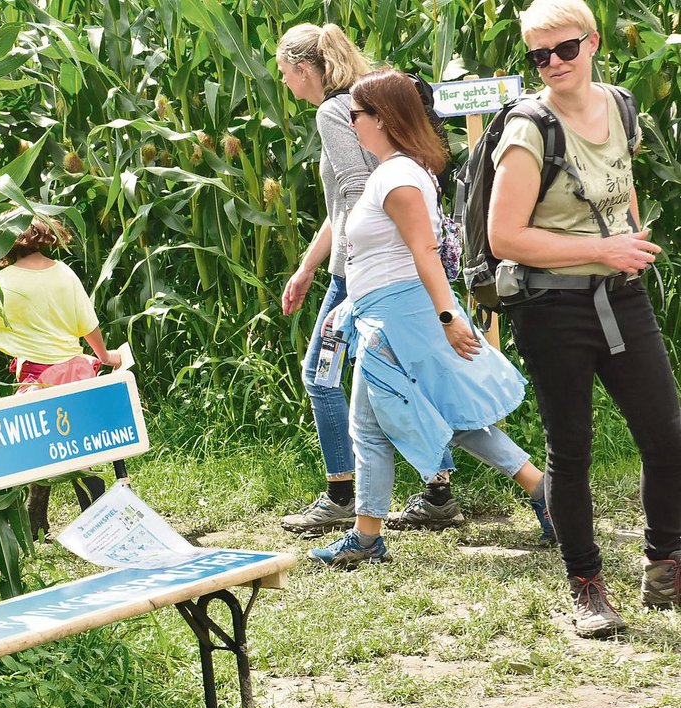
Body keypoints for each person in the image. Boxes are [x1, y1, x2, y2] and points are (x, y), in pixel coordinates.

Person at [308, 68, 554, 569]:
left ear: (383, 119)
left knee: (383, 424)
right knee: (428, 417)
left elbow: (423, 250)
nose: (350, 123)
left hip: (404, 318)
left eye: (355, 114)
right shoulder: (396, 172)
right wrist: (353, 304)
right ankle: (541, 490)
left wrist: (447, 316)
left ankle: (367, 538)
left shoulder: (398, 176)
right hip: (388, 313)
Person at [489, 0, 681, 636]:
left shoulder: (621, 105)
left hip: (620, 294)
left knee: (667, 435)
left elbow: (620, 181)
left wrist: (626, 232)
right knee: (571, 450)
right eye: (538, 56)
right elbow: (504, 237)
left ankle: (664, 565)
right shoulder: (527, 128)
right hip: (551, 304)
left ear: (593, 42)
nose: (552, 64)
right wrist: (600, 248)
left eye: (564, 49)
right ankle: (586, 584)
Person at [276, 25, 464, 536]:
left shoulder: (331, 112)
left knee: (320, 373)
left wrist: (347, 273)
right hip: (389, 266)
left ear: (304, 68)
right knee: (412, 375)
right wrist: (309, 265)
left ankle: (341, 494)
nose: (284, 82)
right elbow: (345, 204)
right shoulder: (359, 105)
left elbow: (359, 191)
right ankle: (438, 490)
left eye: (285, 71)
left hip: (361, 274)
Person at [0, 217, 117, 537]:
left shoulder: (1, 283)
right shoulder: (64, 273)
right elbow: (88, 324)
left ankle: (36, 519)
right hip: (78, 375)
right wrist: (106, 357)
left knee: (44, 450)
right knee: (82, 453)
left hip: (37, 383)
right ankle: (97, 522)